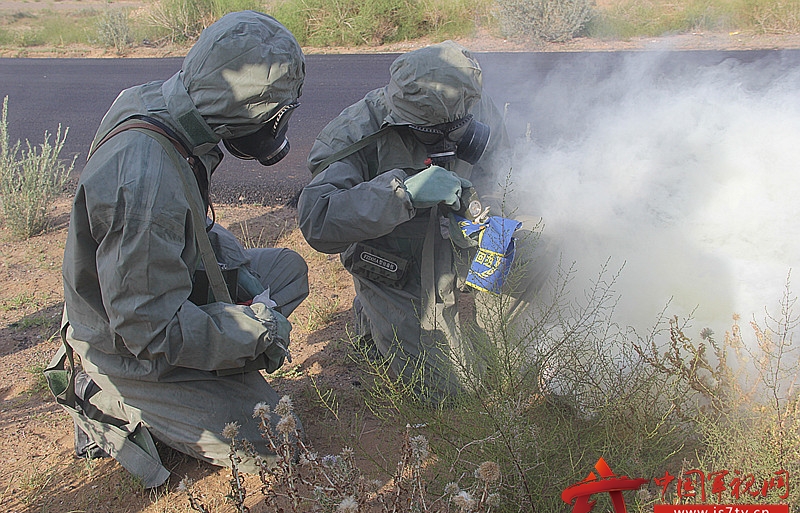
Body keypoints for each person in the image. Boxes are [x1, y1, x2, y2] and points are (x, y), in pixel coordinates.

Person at [45, 11, 308, 488]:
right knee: (279, 438)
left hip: (160, 289)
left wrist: (237, 276)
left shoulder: (170, 105)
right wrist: (251, 333)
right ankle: (102, 393)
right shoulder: (144, 178)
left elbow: (191, 222)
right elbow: (146, 327)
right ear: (250, 110)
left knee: (285, 271)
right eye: (275, 114)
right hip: (125, 345)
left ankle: (213, 373)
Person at [297, 41, 518, 405]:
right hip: (396, 260)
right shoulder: (356, 132)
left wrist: (486, 208)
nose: (446, 141)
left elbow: (505, 171)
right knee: (446, 396)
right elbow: (317, 220)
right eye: (431, 133)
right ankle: (373, 318)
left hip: (462, 243)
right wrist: (401, 196)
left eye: (456, 130)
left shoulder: (473, 103)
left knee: (511, 363)